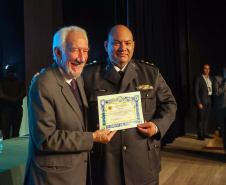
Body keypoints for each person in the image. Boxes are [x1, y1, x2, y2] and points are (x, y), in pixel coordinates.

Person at [83, 25, 177, 185]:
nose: (123, 48)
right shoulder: (87, 75)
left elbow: (170, 104)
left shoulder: (150, 73)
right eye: (116, 43)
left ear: (134, 45)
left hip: (143, 164)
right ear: (106, 45)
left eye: (127, 43)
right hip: (104, 166)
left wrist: (157, 126)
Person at [24, 26, 116, 185]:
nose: (82, 58)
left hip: (75, 173)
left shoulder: (77, 79)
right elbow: (46, 139)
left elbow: (75, 120)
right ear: (57, 52)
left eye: (85, 51)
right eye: (75, 50)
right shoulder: (43, 84)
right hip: (52, 178)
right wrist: (93, 137)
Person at [0, 65, 26, 139]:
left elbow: (24, 92)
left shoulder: (19, 81)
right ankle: (7, 149)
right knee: (6, 132)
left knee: (15, 132)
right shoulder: (3, 82)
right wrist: (13, 99)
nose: (10, 74)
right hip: (7, 108)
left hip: (16, 108)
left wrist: (14, 99)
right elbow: (1, 94)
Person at [194, 64, 213, 140]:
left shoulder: (210, 78)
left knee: (206, 118)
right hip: (202, 101)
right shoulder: (199, 78)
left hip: (209, 99)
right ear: (203, 69)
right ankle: (200, 134)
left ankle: (205, 133)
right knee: (201, 118)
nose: (207, 70)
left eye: (208, 68)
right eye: (205, 68)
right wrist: (199, 102)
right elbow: (196, 92)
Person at [213, 66, 226, 153]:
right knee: (225, 131)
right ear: (224, 69)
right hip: (222, 109)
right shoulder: (217, 78)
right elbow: (216, 92)